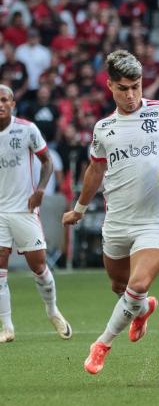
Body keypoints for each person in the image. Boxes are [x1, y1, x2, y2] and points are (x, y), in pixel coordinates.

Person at [62, 50, 159, 375]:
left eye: (136, 86)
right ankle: (143, 308)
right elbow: (94, 171)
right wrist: (79, 208)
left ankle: (102, 344)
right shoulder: (103, 128)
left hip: (156, 220)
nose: (132, 94)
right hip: (117, 221)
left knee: (136, 285)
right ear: (110, 86)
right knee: (119, 286)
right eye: (123, 88)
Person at [0, 84, 72, 343]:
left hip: (24, 209)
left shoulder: (27, 129)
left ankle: (52, 310)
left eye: (4, 99)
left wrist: (40, 189)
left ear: (12, 104)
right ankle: (7, 327)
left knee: (39, 265)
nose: (0, 104)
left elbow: (48, 161)